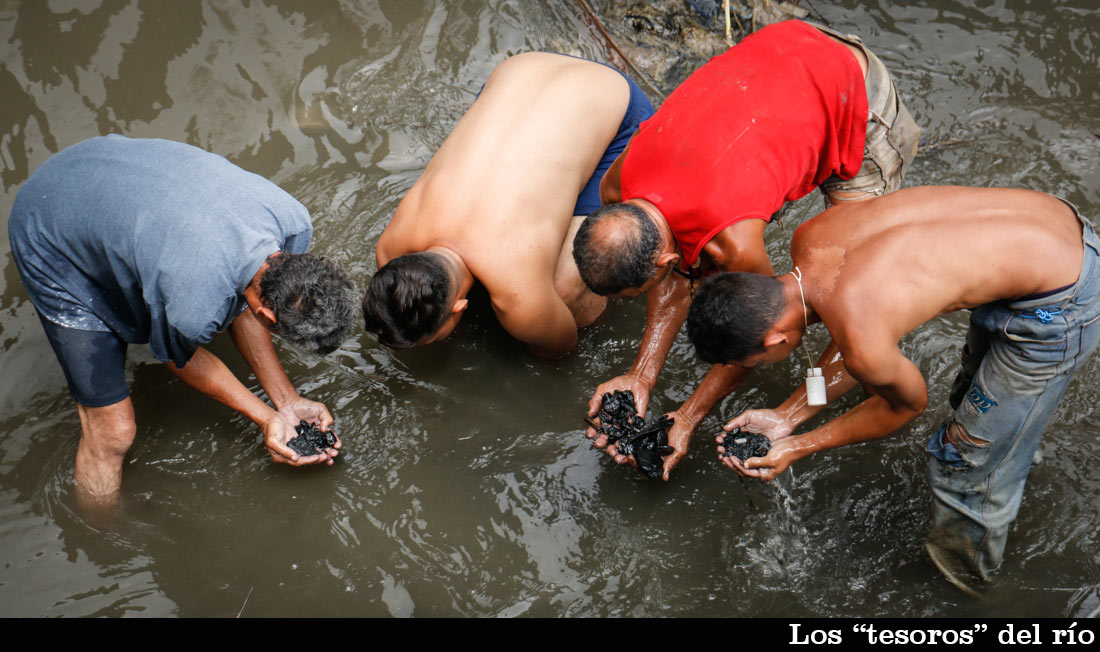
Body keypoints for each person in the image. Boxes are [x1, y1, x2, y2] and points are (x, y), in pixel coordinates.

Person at [685, 186, 1100, 594]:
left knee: (964, 461)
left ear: (775, 340)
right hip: (1051, 226)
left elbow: (905, 406)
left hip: (1061, 305)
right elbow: (851, 331)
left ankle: (966, 585)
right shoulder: (811, 237)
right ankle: (1015, 449)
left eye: (755, 362)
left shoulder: (860, 334)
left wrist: (798, 446)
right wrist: (786, 417)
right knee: (970, 395)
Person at [573, 20, 920, 479]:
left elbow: (758, 326)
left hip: (848, 87)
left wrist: (700, 415)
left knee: (860, 283)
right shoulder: (618, 186)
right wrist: (641, 375)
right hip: (775, 56)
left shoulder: (738, 246)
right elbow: (681, 278)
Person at [8, 135, 359, 503]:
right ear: (267, 314)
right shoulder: (195, 302)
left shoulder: (292, 221)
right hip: (48, 225)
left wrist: (286, 403)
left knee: (225, 293)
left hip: (101, 165)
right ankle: (94, 525)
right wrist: (265, 418)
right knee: (113, 433)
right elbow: (180, 359)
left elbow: (250, 296)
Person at [362, 52, 654, 358]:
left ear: (459, 308)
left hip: (618, 108)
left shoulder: (521, 298)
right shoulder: (390, 249)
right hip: (520, 71)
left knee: (563, 296)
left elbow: (561, 350)